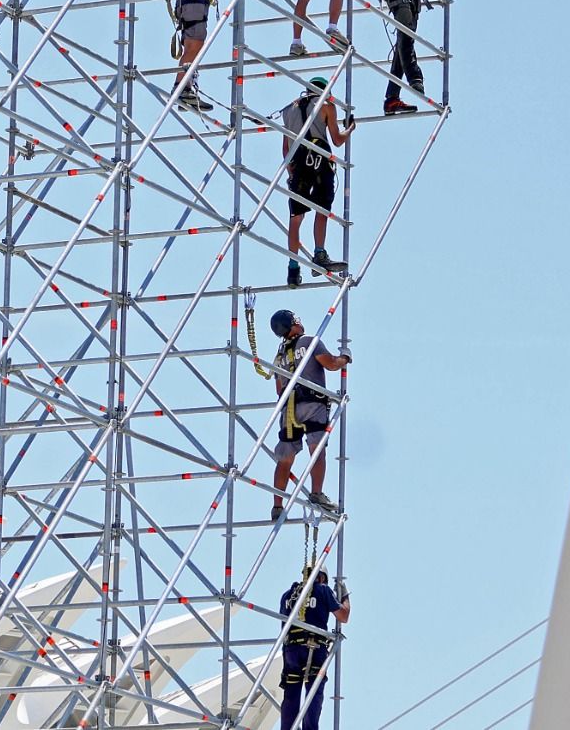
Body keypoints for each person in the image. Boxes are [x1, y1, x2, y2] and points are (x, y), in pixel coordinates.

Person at [267, 308, 350, 521]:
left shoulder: (279, 356)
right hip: (313, 404)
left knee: (285, 458)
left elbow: (279, 389)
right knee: (317, 449)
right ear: (292, 324)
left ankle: (277, 505)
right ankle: (316, 493)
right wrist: (344, 359)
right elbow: (330, 364)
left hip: (289, 408)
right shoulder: (309, 342)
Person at [280, 77, 353, 287]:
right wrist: (350, 129)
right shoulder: (327, 106)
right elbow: (338, 140)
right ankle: (319, 253)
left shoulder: (289, 110)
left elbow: (286, 148)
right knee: (322, 210)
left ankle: (293, 269)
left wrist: (291, 170)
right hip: (319, 159)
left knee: (296, 217)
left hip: (297, 160)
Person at [278, 569, 350, 730]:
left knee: (291, 691)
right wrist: (344, 596)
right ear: (321, 577)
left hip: (291, 651)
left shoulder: (287, 596)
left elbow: (284, 630)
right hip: (314, 647)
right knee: (314, 691)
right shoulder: (323, 590)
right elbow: (343, 616)